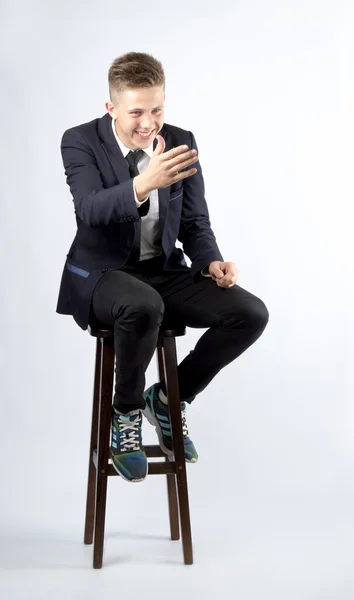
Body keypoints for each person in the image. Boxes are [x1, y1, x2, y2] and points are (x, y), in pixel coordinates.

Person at [56, 51, 269, 483]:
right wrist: (143, 183)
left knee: (249, 314)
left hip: (163, 271)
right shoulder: (79, 141)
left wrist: (210, 260)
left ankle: (170, 398)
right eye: (136, 112)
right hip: (101, 275)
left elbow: (194, 221)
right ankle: (126, 416)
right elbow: (89, 210)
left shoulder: (180, 139)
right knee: (143, 305)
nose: (149, 123)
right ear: (111, 107)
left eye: (157, 109)